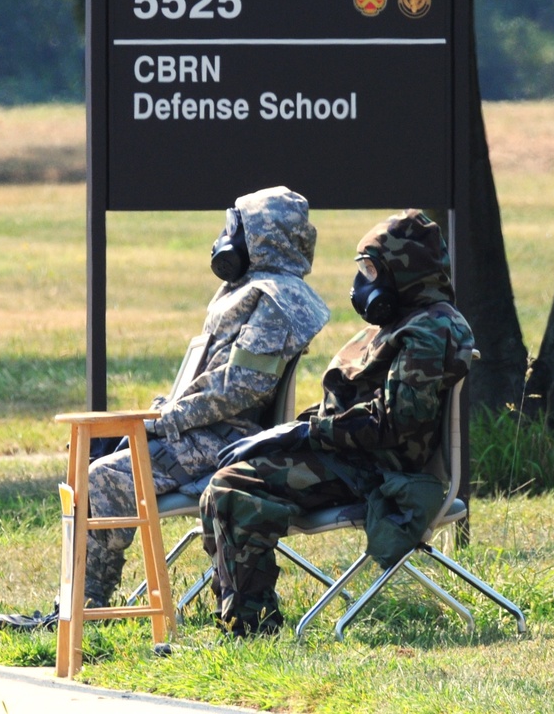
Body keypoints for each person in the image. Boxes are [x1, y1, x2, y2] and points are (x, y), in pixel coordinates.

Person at [0, 186, 329, 630]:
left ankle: (84, 612)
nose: (227, 239)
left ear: (266, 237)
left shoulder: (276, 302)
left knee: (102, 479)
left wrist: (165, 422)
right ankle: (80, 606)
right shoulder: (252, 291)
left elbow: (239, 388)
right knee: (97, 457)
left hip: (222, 438)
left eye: (238, 229)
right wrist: (160, 415)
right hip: (204, 430)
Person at [199, 209, 474, 637]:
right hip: (349, 456)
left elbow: (395, 422)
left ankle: (250, 627)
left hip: (379, 470)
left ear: (404, 270)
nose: (364, 281)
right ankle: (236, 612)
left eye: (372, 268)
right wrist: (285, 433)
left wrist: (306, 432)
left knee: (235, 488)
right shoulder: (400, 322)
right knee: (226, 480)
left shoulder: (430, 329)